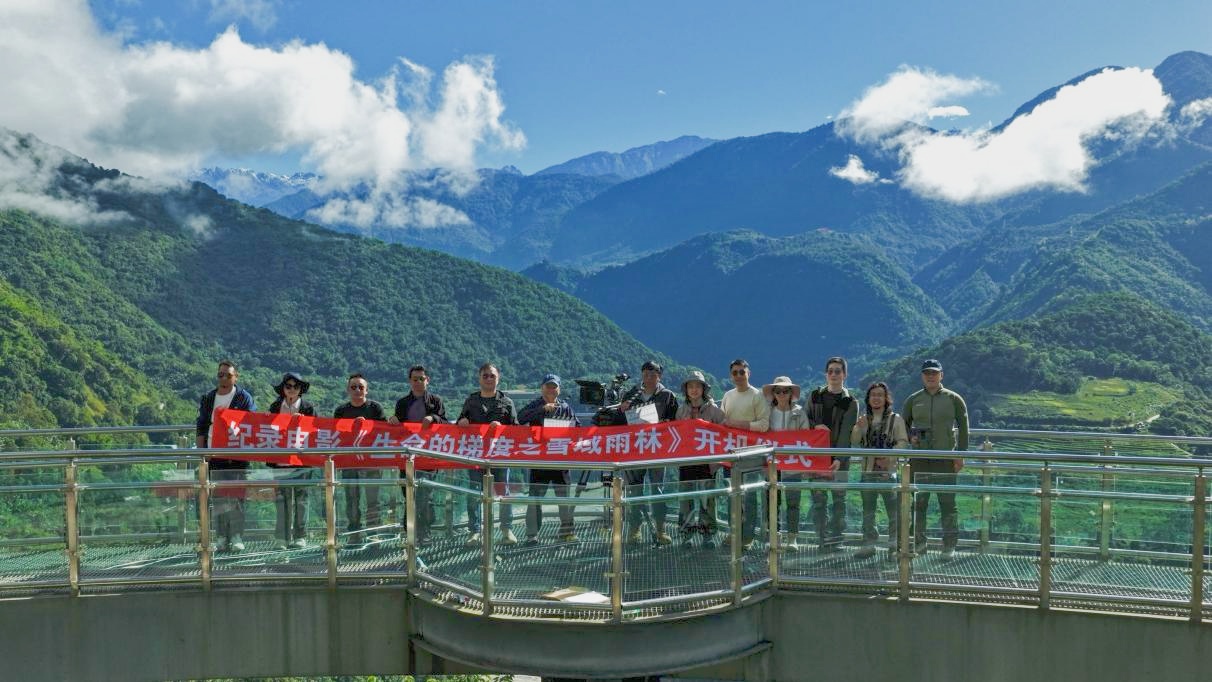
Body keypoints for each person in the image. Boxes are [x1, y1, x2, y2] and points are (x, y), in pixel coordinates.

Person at [903, 359, 969, 560]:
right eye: (926, 373)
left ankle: (949, 546)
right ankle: (919, 544)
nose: (930, 376)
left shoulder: (954, 398)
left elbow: (964, 428)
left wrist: (961, 455)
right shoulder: (913, 399)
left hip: (945, 459)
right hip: (919, 458)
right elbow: (903, 426)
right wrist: (911, 436)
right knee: (918, 503)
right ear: (922, 376)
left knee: (947, 503)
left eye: (934, 373)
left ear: (942, 375)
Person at [196, 360, 256, 552]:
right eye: (220, 375)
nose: (223, 378)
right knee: (219, 498)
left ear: (235, 376)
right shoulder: (208, 398)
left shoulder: (243, 397)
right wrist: (202, 454)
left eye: (228, 375)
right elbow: (202, 425)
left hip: (238, 457)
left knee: (238, 497)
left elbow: (251, 422)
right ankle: (222, 536)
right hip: (215, 456)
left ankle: (237, 536)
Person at [618, 360, 679, 544]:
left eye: (653, 374)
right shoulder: (631, 394)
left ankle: (661, 530)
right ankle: (635, 530)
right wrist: (622, 409)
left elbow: (676, 422)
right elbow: (621, 422)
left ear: (660, 376)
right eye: (645, 374)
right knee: (634, 490)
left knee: (657, 490)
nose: (649, 378)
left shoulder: (668, 395)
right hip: (635, 450)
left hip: (657, 449)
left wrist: (665, 423)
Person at [457, 362, 518, 545]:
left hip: (499, 455)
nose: (489, 379)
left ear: (498, 378)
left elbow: (516, 429)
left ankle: (507, 530)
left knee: (503, 492)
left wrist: (502, 428)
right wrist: (461, 422)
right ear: (479, 378)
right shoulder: (471, 401)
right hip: (475, 455)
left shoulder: (507, 402)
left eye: (492, 376)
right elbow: (460, 421)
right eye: (485, 375)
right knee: (474, 493)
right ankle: (475, 531)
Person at [517, 373, 580, 544]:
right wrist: (541, 410)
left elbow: (578, 428)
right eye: (548, 386)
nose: (551, 389)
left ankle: (567, 532)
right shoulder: (535, 404)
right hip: (540, 460)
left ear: (559, 389)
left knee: (564, 499)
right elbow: (520, 418)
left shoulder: (566, 407)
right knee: (535, 499)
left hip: (560, 460)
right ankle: (532, 535)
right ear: (542, 388)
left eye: (554, 386)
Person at [388, 364, 447, 544]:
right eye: (415, 379)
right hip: (407, 458)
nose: (419, 382)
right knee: (409, 496)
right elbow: (396, 426)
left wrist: (434, 418)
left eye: (422, 379)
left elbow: (445, 422)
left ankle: (425, 531)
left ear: (427, 380)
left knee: (425, 495)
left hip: (428, 456)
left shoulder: (436, 401)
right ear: (410, 381)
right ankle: (411, 531)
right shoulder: (402, 403)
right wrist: (393, 420)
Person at [806, 356, 858, 551]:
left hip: (840, 458)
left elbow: (846, 431)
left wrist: (838, 458)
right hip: (817, 456)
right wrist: (815, 426)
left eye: (838, 371)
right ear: (826, 374)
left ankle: (837, 540)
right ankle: (821, 538)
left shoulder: (850, 401)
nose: (834, 374)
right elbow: (805, 421)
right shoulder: (814, 396)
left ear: (844, 374)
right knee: (818, 499)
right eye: (831, 371)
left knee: (839, 500)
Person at [852, 381, 907, 560]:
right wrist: (858, 428)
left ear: (886, 398)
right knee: (868, 510)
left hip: (888, 473)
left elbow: (902, 442)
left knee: (893, 512)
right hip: (867, 471)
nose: (876, 398)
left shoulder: (895, 419)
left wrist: (889, 458)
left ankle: (894, 548)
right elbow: (854, 441)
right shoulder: (863, 419)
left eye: (880, 395)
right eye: (873, 395)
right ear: (868, 398)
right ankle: (869, 545)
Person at [720, 359, 770, 549]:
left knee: (749, 497)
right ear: (730, 376)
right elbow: (722, 425)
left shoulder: (757, 396)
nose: (739, 376)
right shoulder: (727, 395)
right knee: (732, 496)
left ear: (749, 373)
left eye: (742, 372)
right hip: (730, 455)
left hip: (751, 454)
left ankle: (747, 536)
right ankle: (733, 533)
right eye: (735, 373)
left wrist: (737, 425)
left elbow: (764, 425)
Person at [333, 373, 388, 544]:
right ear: (348, 390)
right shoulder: (341, 411)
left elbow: (384, 431)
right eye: (353, 387)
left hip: (372, 462)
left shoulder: (375, 409)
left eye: (361, 387)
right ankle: (354, 534)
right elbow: (335, 434)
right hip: (349, 462)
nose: (357, 390)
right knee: (351, 499)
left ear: (367, 390)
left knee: (373, 501)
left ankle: (373, 534)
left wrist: (367, 426)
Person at [674, 370, 726, 546]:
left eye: (697, 386)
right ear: (686, 390)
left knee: (708, 499)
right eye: (691, 386)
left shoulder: (714, 410)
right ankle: (686, 534)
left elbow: (724, 434)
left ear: (704, 389)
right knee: (686, 499)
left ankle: (708, 534)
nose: (694, 390)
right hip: (686, 461)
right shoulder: (681, 410)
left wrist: (717, 461)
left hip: (707, 462)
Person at [267, 372, 316, 550]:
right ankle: (282, 538)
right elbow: (267, 431)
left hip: (302, 461)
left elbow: (317, 431)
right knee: (282, 500)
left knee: (301, 499)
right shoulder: (274, 407)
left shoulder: (308, 408)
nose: (292, 389)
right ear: (283, 389)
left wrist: (303, 423)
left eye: (296, 386)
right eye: (288, 386)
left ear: (301, 389)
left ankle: (300, 536)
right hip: (280, 461)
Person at [763, 376, 809, 551]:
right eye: (778, 391)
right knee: (772, 501)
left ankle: (792, 538)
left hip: (793, 463)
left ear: (791, 393)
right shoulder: (767, 412)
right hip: (772, 464)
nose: (782, 394)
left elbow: (806, 437)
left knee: (793, 501)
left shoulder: (800, 413)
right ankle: (774, 536)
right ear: (773, 393)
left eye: (785, 391)